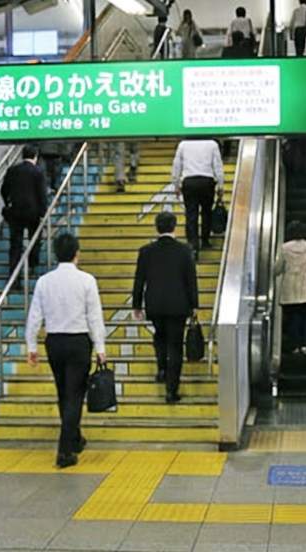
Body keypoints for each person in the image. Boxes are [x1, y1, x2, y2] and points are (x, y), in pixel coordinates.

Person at [25, 233, 106, 469]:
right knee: (75, 394)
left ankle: (75, 437)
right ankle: (64, 450)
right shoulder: (87, 280)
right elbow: (94, 316)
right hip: (79, 342)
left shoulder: (44, 281)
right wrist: (100, 346)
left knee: (63, 391)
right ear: (76, 253)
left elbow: (34, 316)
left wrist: (31, 345)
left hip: (55, 343)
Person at [132, 212, 198, 403]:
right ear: (174, 226)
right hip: (178, 306)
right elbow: (190, 280)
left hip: (154, 304)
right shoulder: (185, 250)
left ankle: (161, 368)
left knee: (160, 336)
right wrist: (194, 304)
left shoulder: (146, 251)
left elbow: (139, 280)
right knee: (175, 346)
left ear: (157, 227)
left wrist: (137, 304)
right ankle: (172, 390)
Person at [275, 221, 306, 355]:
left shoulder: (285, 247)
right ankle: (305, 346)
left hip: (290, 288)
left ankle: (295, 346)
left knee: (293, 318)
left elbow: (278, 268)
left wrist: (274, 272)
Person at [171, 138, 224, 255]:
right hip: (207, 181)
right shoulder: (212, 144)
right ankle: (205, 240)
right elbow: (218, 166)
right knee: (207, 212)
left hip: (189, 182)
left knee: (191, 214)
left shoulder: (183, 144)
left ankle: (193, 245)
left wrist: (176, 184)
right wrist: (220, 185)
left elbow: (176, 165)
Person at [1, 144, 48, 272]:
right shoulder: (38, 172)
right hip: (33, 213)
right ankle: (32, 265)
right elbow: (42, 194)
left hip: (15, 212)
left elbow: (4, 190)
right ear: (36, 156)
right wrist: (44, 211)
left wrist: (8, 202)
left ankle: (13, 271)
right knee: (34, 239)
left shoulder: (12, 170)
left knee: (15, 243)